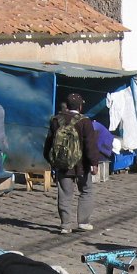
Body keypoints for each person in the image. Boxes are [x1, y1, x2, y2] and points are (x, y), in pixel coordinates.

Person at [44, 92, 100, 234]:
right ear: (80, 107)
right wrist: (94, 163)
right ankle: (83, 222)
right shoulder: (84, 121)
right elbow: (90, 144)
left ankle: (65, 225)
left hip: (63, 165)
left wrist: (51, 160)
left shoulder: (56, 120)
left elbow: (49, 142)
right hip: (82, 165)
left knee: (64, 194)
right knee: (86, 191)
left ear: (67, 106)